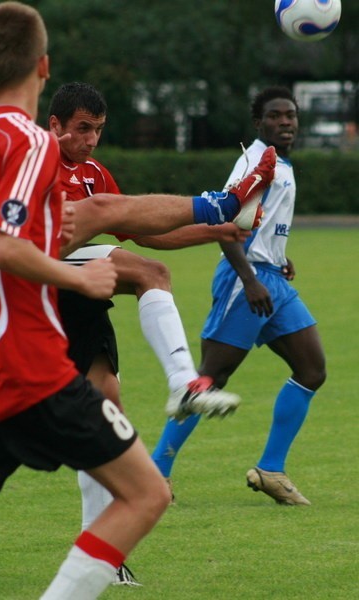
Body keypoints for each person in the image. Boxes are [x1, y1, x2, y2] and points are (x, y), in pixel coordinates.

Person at [0, 4, 276, 599]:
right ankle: (220, 207)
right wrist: (79, 275)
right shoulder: (32, 142)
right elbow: (35, 236)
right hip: (27, 363)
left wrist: (40, 255)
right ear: (43, 66)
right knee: (147, 494)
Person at [50, 81, 249, 585]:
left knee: (104, 414)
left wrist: (217, 230)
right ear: (54, 125)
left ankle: (102, 555)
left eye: (97, 130)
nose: (90, 140)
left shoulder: (94, 173)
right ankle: (184, 381)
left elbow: (145, 231)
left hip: (83, 294)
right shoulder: (34, 163)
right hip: (41, 282)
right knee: (151, 274)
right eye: (81, 129)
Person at [151, 86, 326, 506]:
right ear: (258, 122)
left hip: (271, 278)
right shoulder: (255, 159)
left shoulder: (280, 163)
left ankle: (270, 469)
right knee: (210, 379)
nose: (286, 121)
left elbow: (261, 223)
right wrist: (249, 278)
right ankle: (156, 474)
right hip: (243, 278)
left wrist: (278, 261)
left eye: (291, 115)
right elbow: (226, 221)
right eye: (276, 115)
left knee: (312, 369)